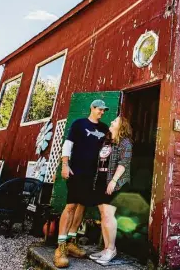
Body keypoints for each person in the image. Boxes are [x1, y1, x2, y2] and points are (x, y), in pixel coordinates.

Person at [54, 99, 110, 269]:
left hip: (92, 174)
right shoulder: (79, 124)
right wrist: (65, 164)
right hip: (75, 170)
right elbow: (68, 144)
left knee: (82, 206)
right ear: (92, 108)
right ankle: (60, 248)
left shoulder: (104, 128)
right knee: (70, 206)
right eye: (99, 109)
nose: (102, 112)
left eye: (103, 110)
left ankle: (71, 242)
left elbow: (108, 148)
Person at [89, 116, 133, 265]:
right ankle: (106, 248)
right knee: (103, 215)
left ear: (121, 126)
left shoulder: (125, 142)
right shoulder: (107, 141)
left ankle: (111, 249)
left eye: (115, 121)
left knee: (108, 215)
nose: (112, 122)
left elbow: (124, 163)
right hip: (101, 180)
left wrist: (113, 181)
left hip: (115, 182)